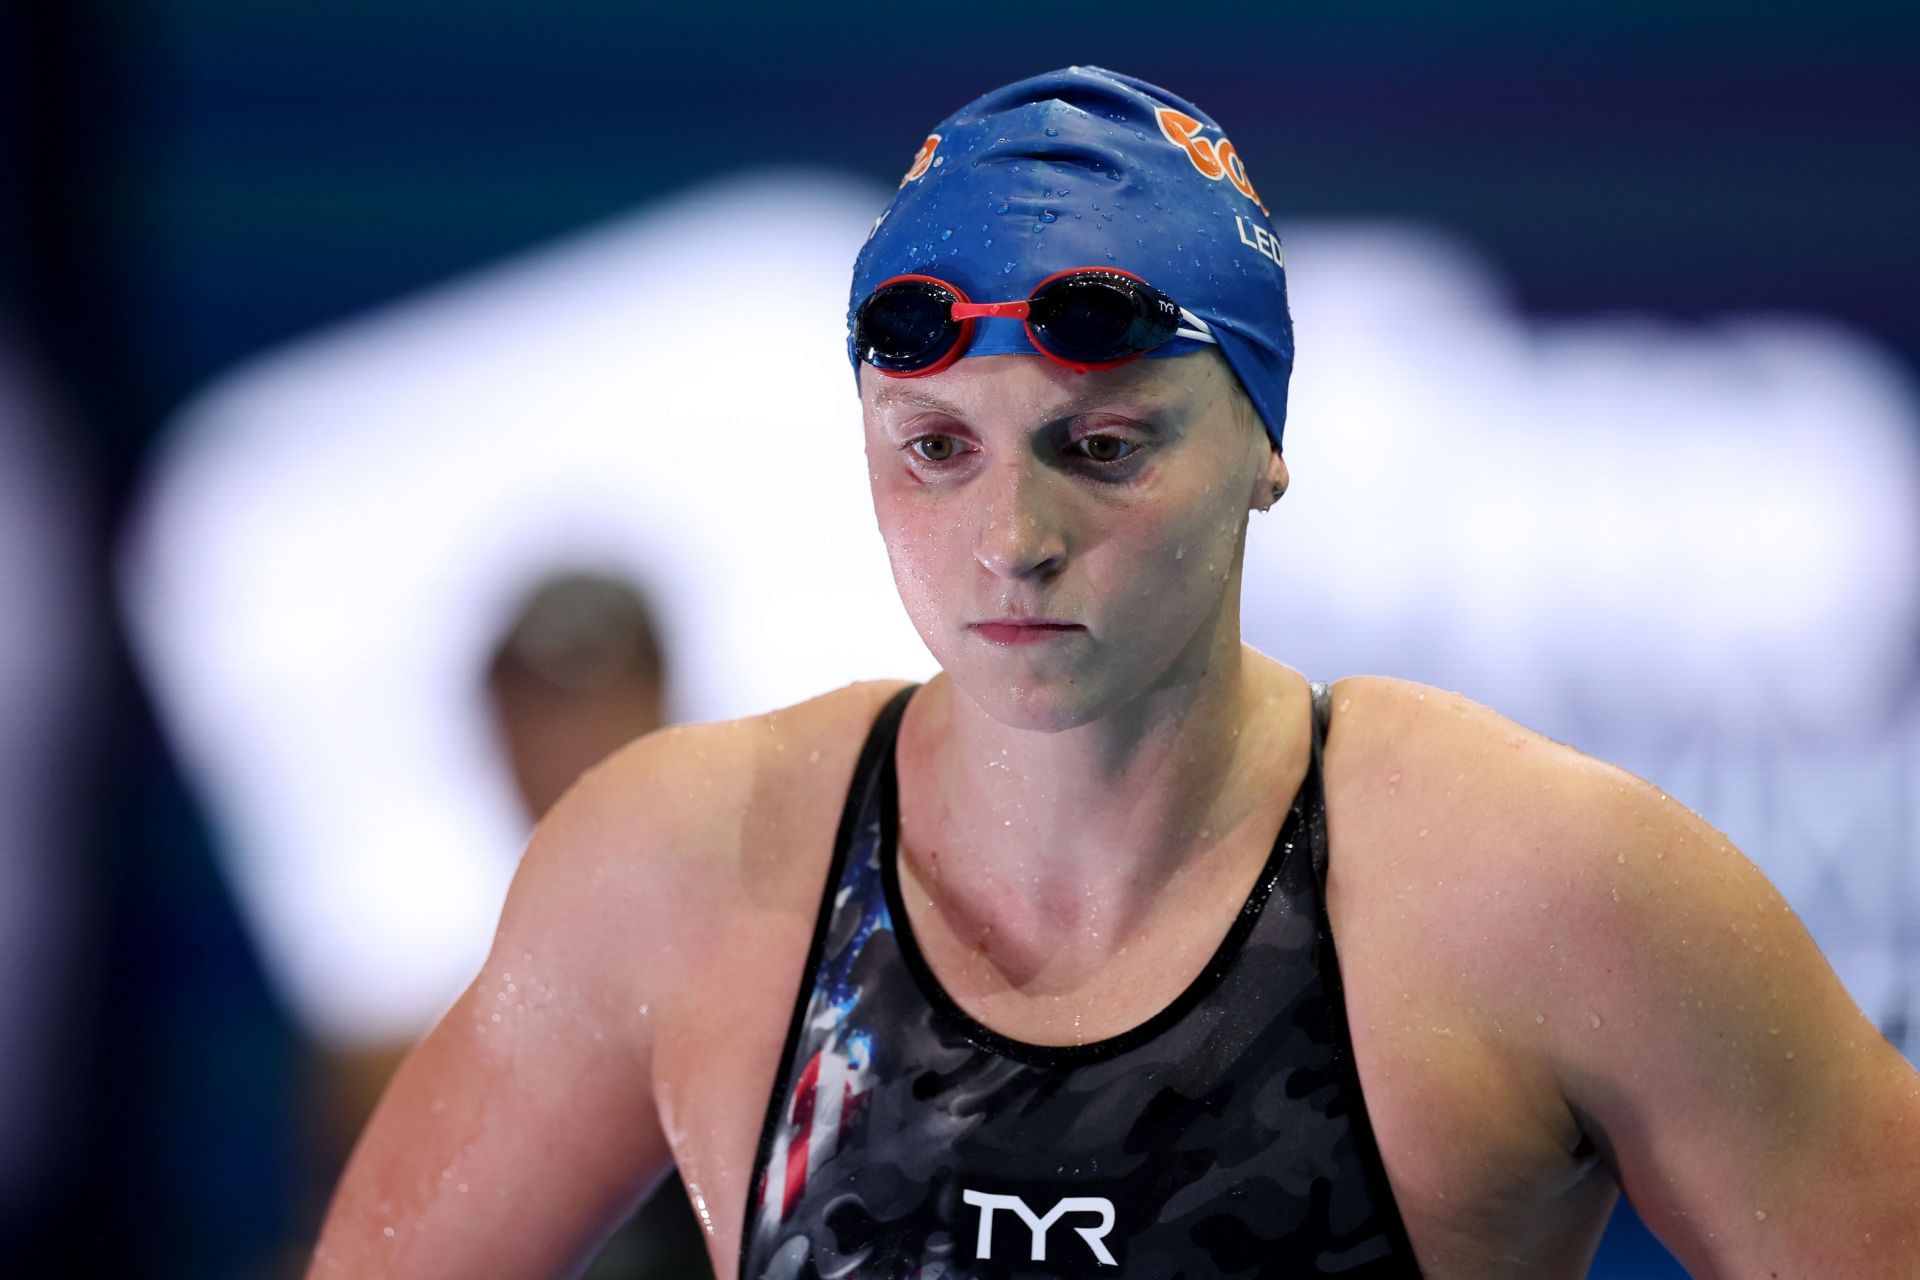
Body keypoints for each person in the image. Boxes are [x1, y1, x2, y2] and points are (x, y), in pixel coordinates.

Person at [307, 67, 1920, 1279]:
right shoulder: (673, 873)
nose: (1011, 536)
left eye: (1102, 447)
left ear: (1267, 446)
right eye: (935, 450)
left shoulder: (1543, 889)